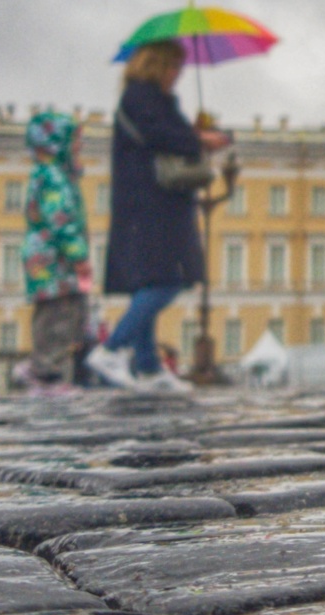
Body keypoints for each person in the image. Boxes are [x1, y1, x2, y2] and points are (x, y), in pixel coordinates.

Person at [85, 39, 229, 387]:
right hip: (152, 206)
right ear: (158, 65)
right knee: (169, 280)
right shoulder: (144, 98)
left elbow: (162, 135)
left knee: (150, 282)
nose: (178, 74)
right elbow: (162, 136)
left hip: (147, 205)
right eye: (174, 67)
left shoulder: (145, 98)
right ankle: (112, 348)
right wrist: (200, 140)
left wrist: (192, 133)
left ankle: (148, 368)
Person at [20, 111, 91, 386]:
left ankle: (45, 370)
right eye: (74, 141)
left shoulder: (50, 175)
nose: (79, 146)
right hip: (55, 262)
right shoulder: (54, 177)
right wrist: (79, 255)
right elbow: (60, 219)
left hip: (48, 261)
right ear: (56, 142)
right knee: (58, 318)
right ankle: (46, 373)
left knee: (59, 315)